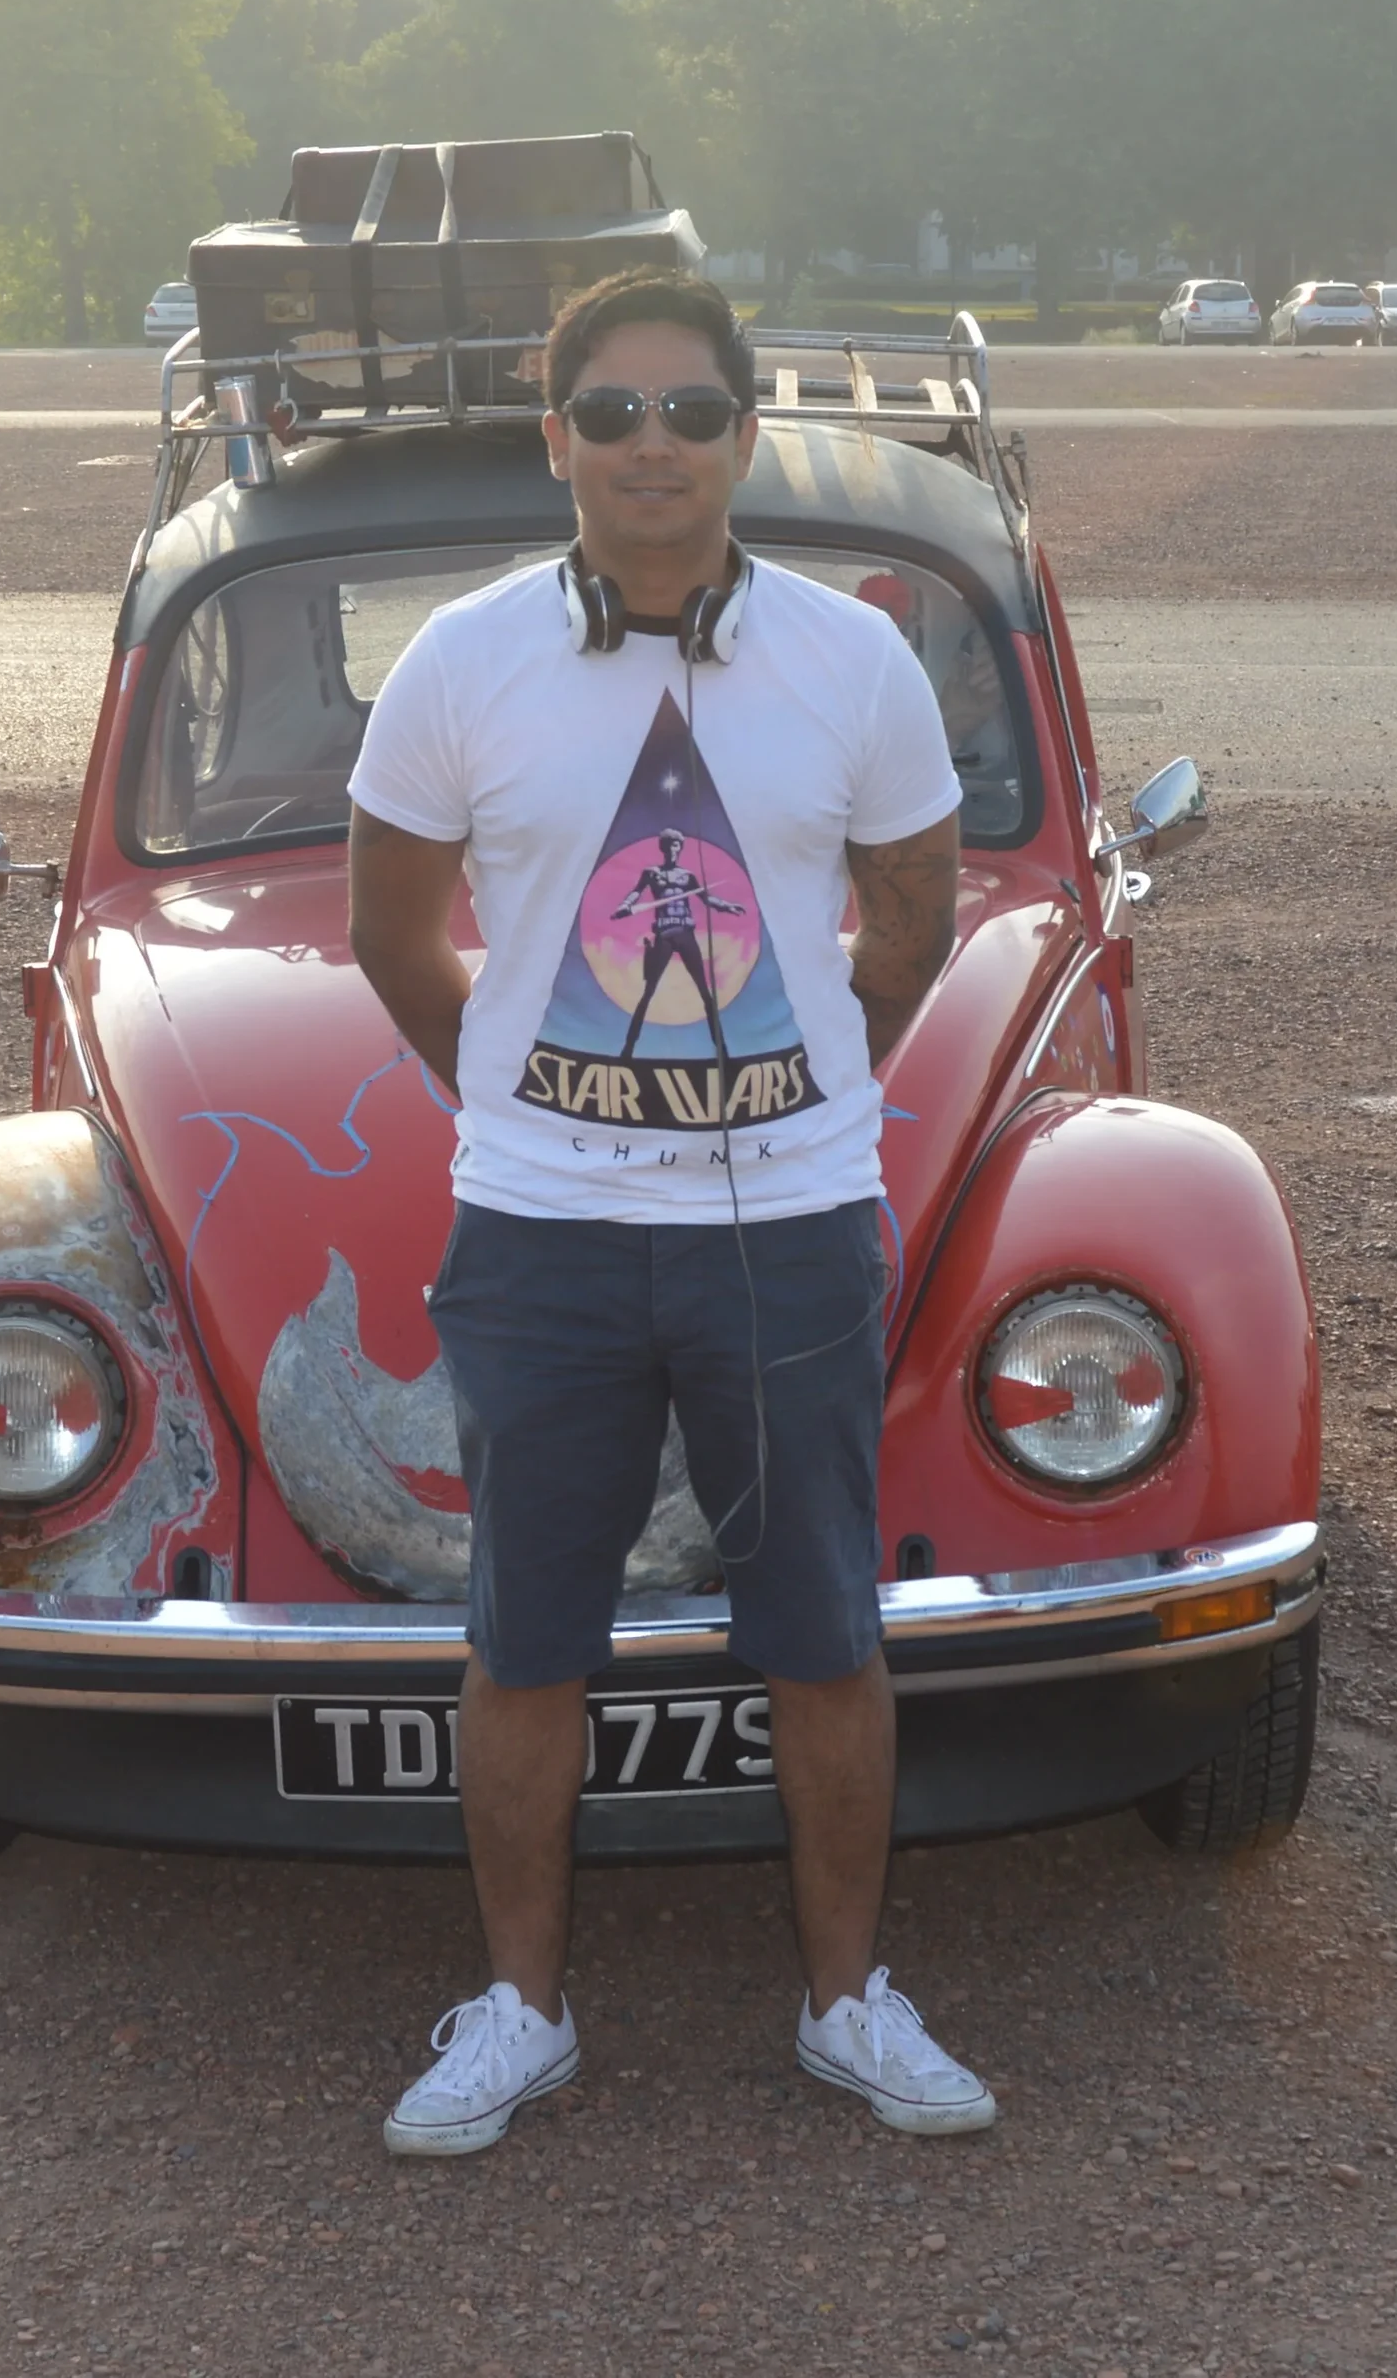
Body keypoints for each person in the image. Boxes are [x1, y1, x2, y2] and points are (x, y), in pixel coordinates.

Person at [346, 266, 993, 2157]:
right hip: (538, 1233)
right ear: (554, 437)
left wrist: (799, 1082)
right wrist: (535, 1095)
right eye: (613, 413)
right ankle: (522, 2011)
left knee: (824, 1629)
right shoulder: (462, 661)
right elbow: (393, 935)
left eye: (693, 413)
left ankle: (848, 2002)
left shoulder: (851, 661)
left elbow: (917, 912)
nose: (653, 446)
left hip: (789, 1227)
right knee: (525, 1636)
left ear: (743, 434)